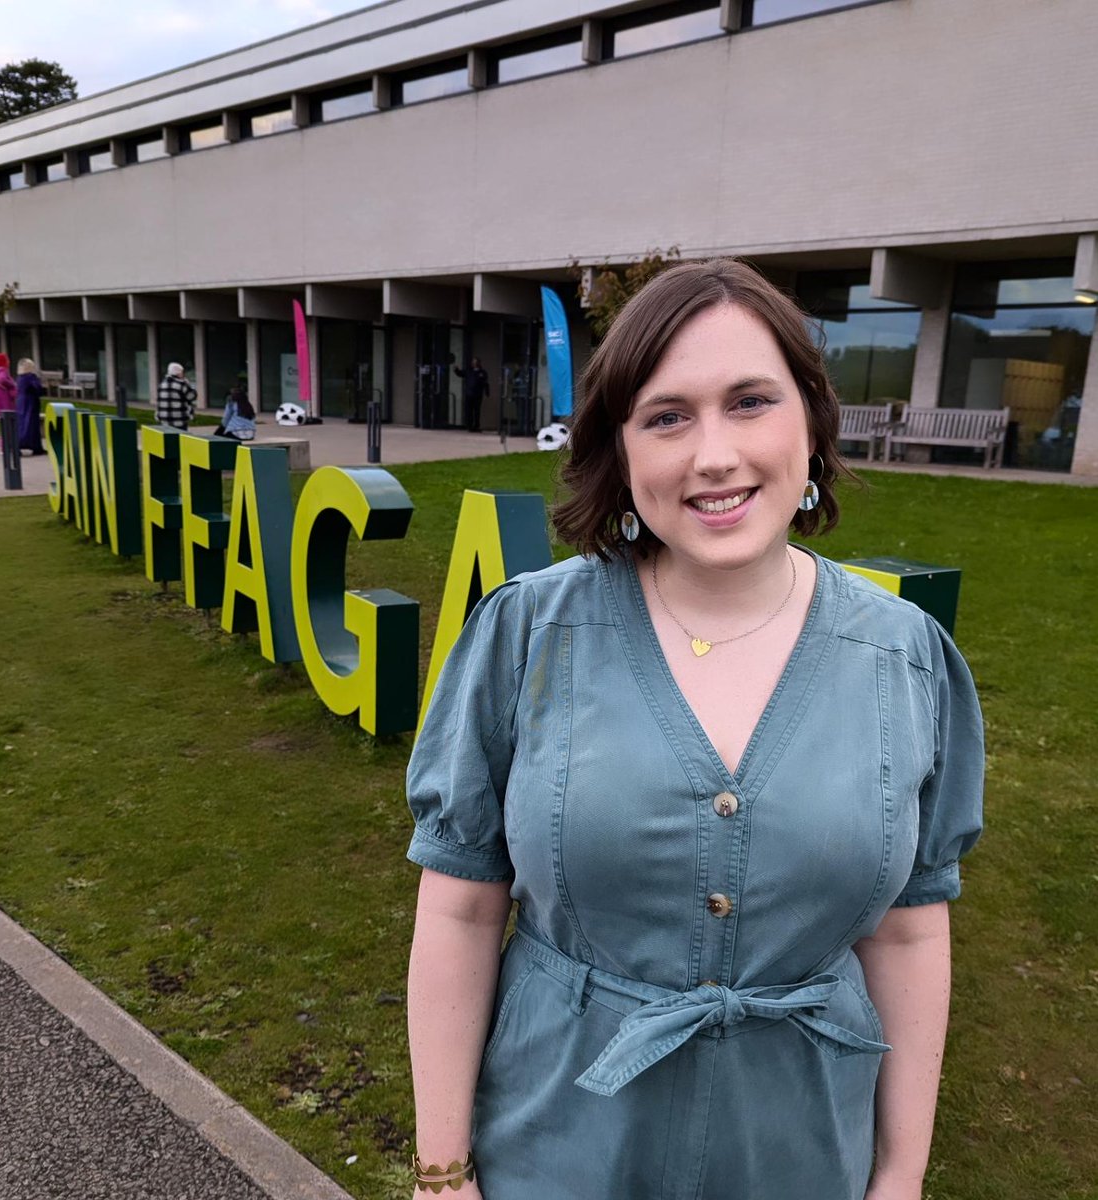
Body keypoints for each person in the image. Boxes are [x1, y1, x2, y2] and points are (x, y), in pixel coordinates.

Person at [406, 259, 984, 1200]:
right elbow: (460, 906)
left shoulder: (906, 659)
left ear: (810, 416)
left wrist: (899, 1174)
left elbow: (910, 934)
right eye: (666, 416)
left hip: (796, 1150)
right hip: (556, 1146)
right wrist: (440, 1176)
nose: (712, 454)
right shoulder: (524, 634)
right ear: (621, 451)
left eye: (750, 401)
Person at [15, 358, 45, 455]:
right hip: (30, 402)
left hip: (21, 402)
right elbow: (38, 388)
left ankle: (17, 446)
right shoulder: (31, 377)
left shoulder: (20, 377)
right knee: (31, 424)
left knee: (22, 424)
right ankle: (35, 446)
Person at [155, 361, 197, 430]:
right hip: (179, 420)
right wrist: (188, 385)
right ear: (179, 373)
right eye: (182, 372)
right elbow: (192, 396)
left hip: (163, 420)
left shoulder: (162, 384)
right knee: (179, 439)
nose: (183, 374)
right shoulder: (181, 385)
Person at [454, 356, 490, 432]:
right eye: (473, 362)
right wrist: (456, 370)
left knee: (477, 411)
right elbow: (460, 374)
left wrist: (487, 393)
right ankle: (469, 426)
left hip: (478, 394)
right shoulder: (469, 371)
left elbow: (485, 383)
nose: (474, 363)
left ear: (479, 363)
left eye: (475, 362)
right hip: (469, 394)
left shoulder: (482, 372)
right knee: (469, 410)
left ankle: (476, 426)